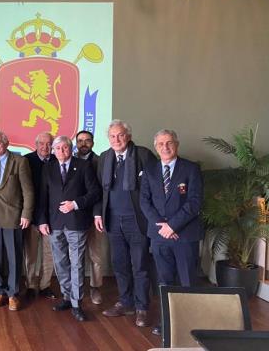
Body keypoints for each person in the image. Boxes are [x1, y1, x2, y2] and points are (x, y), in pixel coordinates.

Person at [140, 129, 204, 335]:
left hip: (185, 236)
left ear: (176, 144)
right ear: (155, 147)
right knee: (164, 280)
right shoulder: (149, 170)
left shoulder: (191, 169)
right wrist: (162, 226)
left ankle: (190, 325)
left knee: (187, 280)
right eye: (160, 144)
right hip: (159, 236)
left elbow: (194, 203)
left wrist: (173, 226)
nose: (165, 147)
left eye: (169, 143)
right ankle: (167, 321)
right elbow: (144, 202)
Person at [93, 119, 156, 328]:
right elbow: (99, 191)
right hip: (112, 220)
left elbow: (155, 189)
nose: (116, 139)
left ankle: (142, 308)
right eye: (112, 136)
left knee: (140, 266)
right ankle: (126, 302)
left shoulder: (143, 155)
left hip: (137, 221)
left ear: (128, 136)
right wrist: (98, 214)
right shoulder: (104, 158)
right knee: (119, 265)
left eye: (120, 135)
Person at [37, 136, 101, 322]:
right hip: (55, 224)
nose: (61, 151)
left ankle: (76, 303)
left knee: (77, 264)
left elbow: (94, 193)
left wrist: (75, 204)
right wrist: (42, 221)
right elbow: (43, 197)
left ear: (70, 149)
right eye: (58, 148)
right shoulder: (48, 168)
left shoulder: (83, 166)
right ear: (54, 150)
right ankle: (66, 296)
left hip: (76, 222)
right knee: (61, 262)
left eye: (65, 148)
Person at [0, 131, 34, 311]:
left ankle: (13, 293)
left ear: (6, 143)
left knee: (13, 256)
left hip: (13, 217)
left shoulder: (20, 162)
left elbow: (28, 191)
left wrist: (26, 214)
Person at [23, 132, 56, 300]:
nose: (45, 147)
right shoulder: (26, 160)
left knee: (49, 254)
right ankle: (30, 285)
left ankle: (45, 285)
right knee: (31, 254)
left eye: (49, 144)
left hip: (52, 218)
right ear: (36, 144)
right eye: (42, 144)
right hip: (31, 217)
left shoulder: (58, 160)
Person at [74, 130, 105, 305]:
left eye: (87, 140)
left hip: (95, 215)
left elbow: (101, 192)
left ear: (93, 143)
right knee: (75, 255)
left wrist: (97, 213)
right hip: (76, 215)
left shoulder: (100, 161)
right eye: (80, 141)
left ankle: (95, 287)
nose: (83, 144)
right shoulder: (70, 161)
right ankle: (75, 288)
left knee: (95, 255)